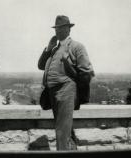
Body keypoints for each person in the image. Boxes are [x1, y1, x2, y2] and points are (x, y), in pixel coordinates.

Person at [38, 15, 94, 150]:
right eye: (56, 28)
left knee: (62, 131)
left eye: (62, 28)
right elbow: (40, 65)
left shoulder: (77, 47)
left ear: (69, 29)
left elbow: (87, 73)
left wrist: (75, 87)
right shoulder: (53, 49)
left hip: (66, 91)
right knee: (62, 128)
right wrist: (48, 49)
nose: (58, 31)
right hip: (52, 92)